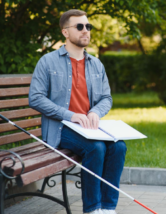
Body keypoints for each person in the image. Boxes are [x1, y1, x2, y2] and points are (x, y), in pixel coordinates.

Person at [29, 9, 126, 214]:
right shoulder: (48, 61)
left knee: (119, 147)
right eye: (79, 26)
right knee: (96, 148)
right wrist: (70, 115)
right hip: (61, 127)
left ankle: (108, 208)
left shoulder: (96, 64)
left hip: (89, 126)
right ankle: (92, 209)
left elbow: (106, 98)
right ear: (65, 32)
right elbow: (35, 98)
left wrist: (94, 113)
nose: (85, 31)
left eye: (88, 26)